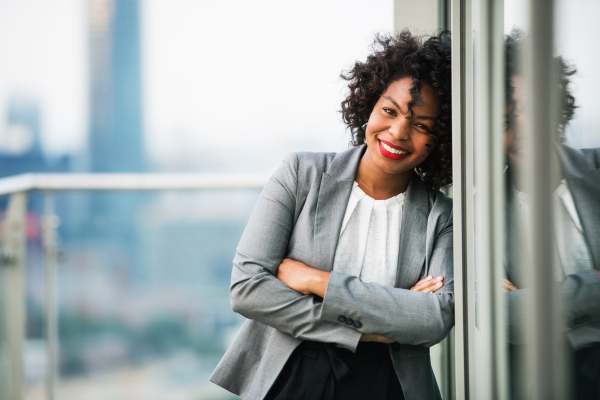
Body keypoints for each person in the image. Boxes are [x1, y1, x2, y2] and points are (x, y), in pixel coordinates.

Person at [210, 30, 454, 400]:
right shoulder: (300, 174)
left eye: (422, 126)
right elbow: (247, 289)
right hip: (292, 372)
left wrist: (316, 281)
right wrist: (373, 327)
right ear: (369, 105)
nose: (399, 132)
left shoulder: (441, 216)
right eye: (389, 111)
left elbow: (433, 319)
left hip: (390, 382)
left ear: (441, 140)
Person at [502, 30, 600, 400]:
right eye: (505, 119)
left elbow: (520, 312)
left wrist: (534, 304)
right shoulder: (478, 211)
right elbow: (505, 318)